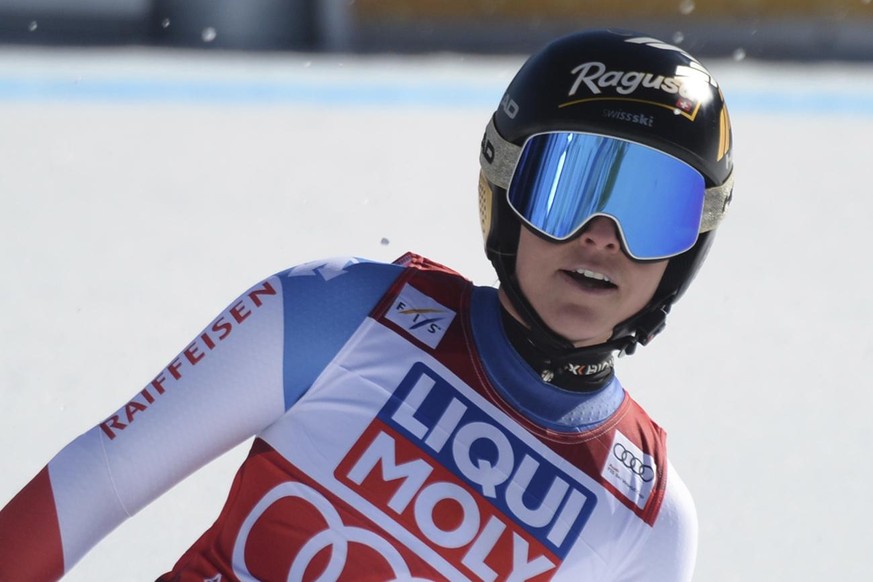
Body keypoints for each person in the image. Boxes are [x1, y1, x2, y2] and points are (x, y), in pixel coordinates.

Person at [0, 28, 733, 581]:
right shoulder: (337, 312)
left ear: (687, 250)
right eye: (567, 192)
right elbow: (96, 486)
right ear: (504, 197)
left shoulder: (649, 519)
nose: (600, 238)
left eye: (650, 209)